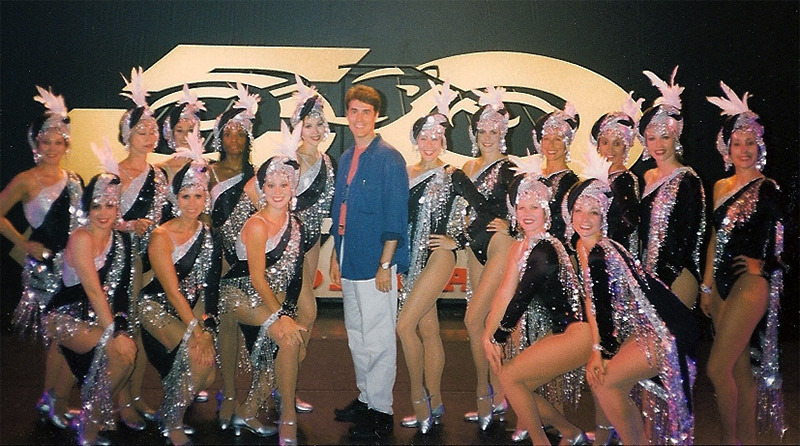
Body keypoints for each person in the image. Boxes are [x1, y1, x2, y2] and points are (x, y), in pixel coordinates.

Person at [570, 150, 698, 445]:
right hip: (650, 327)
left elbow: (602, 307)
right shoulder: (582, 245)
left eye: (594, 213)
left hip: (667, 330)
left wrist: (601, 353)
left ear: (605, 217)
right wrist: (596, 351)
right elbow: (592, 301)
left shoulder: (602, 250)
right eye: (579, 211)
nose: (585, 219)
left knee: (605, 381)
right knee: (606, 382)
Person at [397, 81, 499, 434]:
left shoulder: (453, 175)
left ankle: (419, 402)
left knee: (404, 326)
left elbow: (485, 211)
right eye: (423, 137)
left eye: (436, 138)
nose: (429, 143)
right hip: (409, 261)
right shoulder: (405, 173)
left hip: (438, 259)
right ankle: (436, 401)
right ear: (416, 140)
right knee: (428, 330)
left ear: (444, 141)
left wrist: (457, 240)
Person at [482, 154, 589, 446]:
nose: (526, 213)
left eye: (534, 207)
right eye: (520, 207)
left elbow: (519, 298)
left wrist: (498, 336)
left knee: (511, 379)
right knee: (515, 383)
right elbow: (504, 293)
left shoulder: (545, 249)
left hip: (578, 333)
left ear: (546, 212)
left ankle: (547, 440)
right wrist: (486, 337)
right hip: (563, 333)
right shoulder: (520, 247)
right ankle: (570, 433)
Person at [702, 82, 786, 444]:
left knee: (716, 368)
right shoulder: (720, 186)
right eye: (737, 144)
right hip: (719, 288)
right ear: (727, 148)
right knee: (737, 371)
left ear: (759, 147)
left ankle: (731, 440)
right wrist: (706, 286)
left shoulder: (768, 188)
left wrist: (764, 266)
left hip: (749, 286)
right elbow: (714, 239)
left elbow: (786, 238)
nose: (744, 150)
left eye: (750, 143)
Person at [0, 87, 83, 428]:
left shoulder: (75, 180)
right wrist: (24, 242)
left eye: (58, 141)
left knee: (66, 336)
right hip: (45, 269)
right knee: (59, 336)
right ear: (35, 145)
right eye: (45, 142)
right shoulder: (26, 180)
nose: (52, 148)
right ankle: (52, 401)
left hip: (74, 267)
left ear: (66, 145)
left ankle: (54, 399)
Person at [330, 84, 409, 441]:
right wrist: (336, 252)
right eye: (353, 111)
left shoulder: (389, 158)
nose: (359, 118)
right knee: (357, 335)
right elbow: (340, 211)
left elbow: (396, 216)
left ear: (377, 116)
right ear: (346, 115)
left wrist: (385, 264)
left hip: (377, 261)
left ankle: (381, 410)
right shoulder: (347, 157)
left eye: (366, 111)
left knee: (378, 338)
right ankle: (366, 399)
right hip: (350, 255)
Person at [219, 125, 308, 444]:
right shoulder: (256, 224)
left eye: (284, 183)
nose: (277, 190)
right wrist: (282, 314)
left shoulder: (293, 223)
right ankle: (288, 418)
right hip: (239, 293)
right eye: (270, 184)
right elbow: (256, 277)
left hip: (267, 296)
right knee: (287, 335)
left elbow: (293, 273)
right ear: (262, 187)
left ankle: (249, 410)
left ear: (292, 186)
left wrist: (289, 310)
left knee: (290, 343)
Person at [137, 131, 221, 446]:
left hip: (189, 310)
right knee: (197, 358)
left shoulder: (209, 234)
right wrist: (195, 331)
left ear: (206, 198)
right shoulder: (161, 236)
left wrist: (208, 327)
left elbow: (210, 286)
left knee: (207, 372)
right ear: (175, 199)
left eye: (198, 196)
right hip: (156, 307)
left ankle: (167, 409)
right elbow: (172, 291)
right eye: (185, 196)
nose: (192, 203)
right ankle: (171, 421)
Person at [42, 169, 136, 446]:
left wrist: (119, 326)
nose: (104, 213)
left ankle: (87, 408)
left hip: (94, 317)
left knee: (124, 350)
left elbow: (119, 293)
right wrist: (113, 335)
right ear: (86, 207)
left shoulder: (120, 241)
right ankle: (91, 420)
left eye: (110, 205)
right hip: (63, 316)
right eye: (96, 206)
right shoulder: (81, 237)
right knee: (122, 352)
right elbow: (93, 290)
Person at [114, 67, 170, 430]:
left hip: (149, 260)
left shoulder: (159, 175)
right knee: (126, 328)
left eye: (152, 129)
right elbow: (98, 220)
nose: (149, 135)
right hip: (121, 260)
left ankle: (135, 395)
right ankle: (121, 401)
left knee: (141, 328)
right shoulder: (114, 173)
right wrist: (128, 225)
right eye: (141, 130)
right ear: (126, 134)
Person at [460, 86, 516, 431]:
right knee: (480, 324)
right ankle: (491, 394)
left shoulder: (511, 167)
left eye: (493, 132)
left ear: (503, 134)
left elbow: (522, 206)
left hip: (497, 246)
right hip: (472, 246)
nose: (487, 137)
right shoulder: (468, 164)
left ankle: (495, 391)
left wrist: (510, 222)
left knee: (477, 319)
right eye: (481, 131)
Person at [284, 74, 337, 413]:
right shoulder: (288, 161)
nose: (315, 131)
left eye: (320, 123)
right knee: (301, 312)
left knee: (302, 316)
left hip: (312, 245)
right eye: (309, 124)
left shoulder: (328, 163)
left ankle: (287, 388)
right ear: (297, 127)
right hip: (285, 248)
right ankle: (281, 391)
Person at [210, 82, 260, 426]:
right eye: (228, 134)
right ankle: (227, 392)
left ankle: (257, 394)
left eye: (240, 134)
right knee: (223, 326)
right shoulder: (206, 171)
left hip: (245, 259)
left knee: (250, 331)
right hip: (214, 258)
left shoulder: (257, 177)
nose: (233, 140)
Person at [637, 66, 706, 309]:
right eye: (652, 138)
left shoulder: (688, 180)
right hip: (648, 274)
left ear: (675, 138)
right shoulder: (645, 178)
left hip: (677, 276)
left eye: (665, 137)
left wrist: (664, 275)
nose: (658, 144)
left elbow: (691, 236)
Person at [585, 93, 642, 253]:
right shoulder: (596, 180)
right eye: (605, 143)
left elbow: (628, 223)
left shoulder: (625, 179)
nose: (609, 150)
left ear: (625, 147)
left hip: (614, 256)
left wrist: (604, 247)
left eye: (617, 144)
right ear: (598, 146)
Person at [532, 102, 580, 247]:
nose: (551, 145)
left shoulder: (570, 182)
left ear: (567, 144)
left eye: (557, 140)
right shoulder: (533, 176)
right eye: (546, 139)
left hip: (555, 251)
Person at [158, 84, 207, 181]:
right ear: (171, 134)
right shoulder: (160, 171)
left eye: (190, 130)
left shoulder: (209, 168)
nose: (185, 136)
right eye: (179, 131)